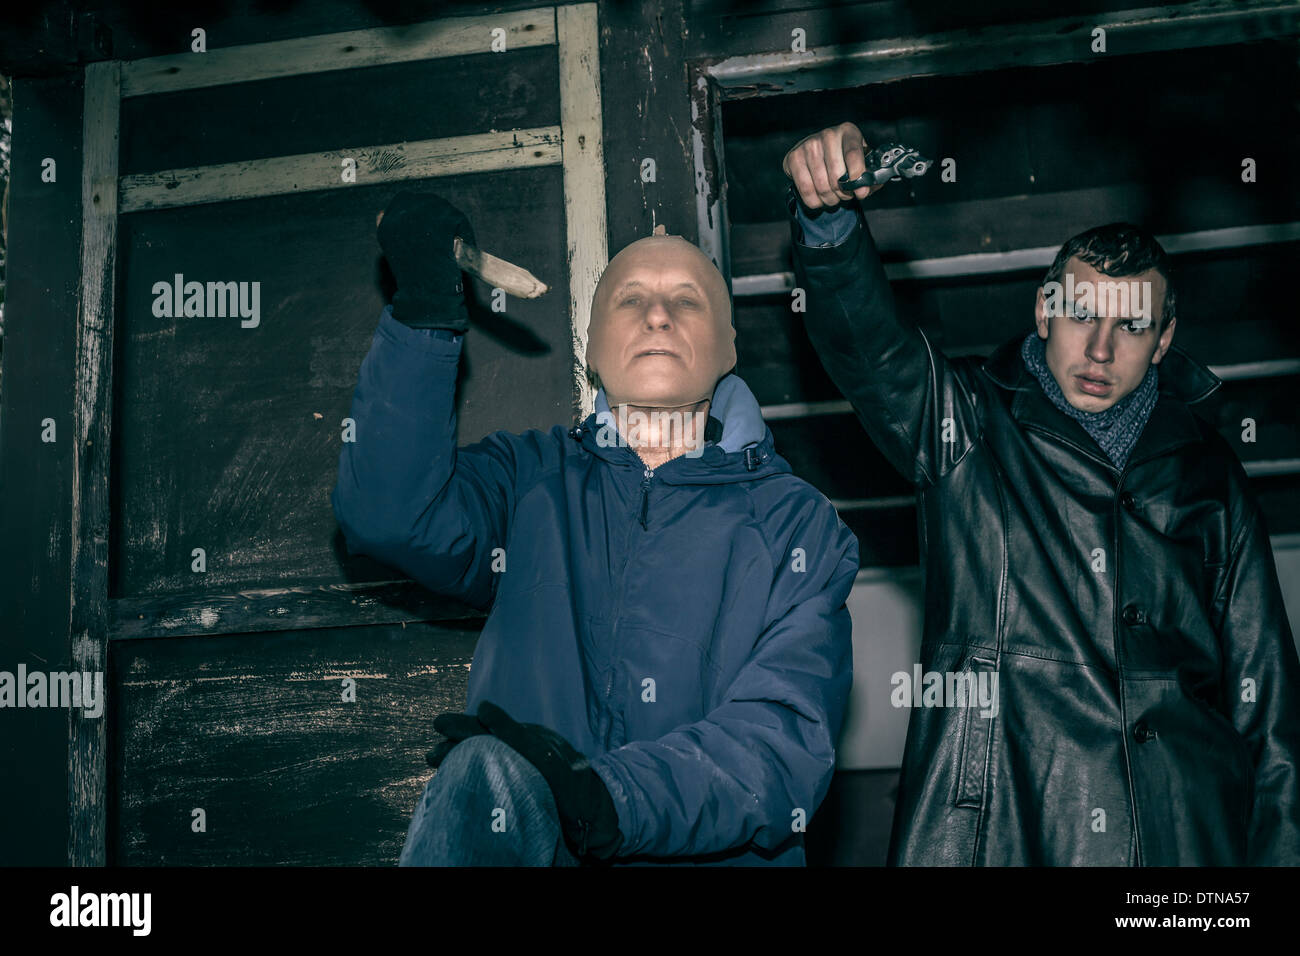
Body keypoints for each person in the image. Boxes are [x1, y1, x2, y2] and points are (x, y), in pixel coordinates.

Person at [783, 121, 1300, 866]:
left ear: (1163, 341)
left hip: (1180, 841)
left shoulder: (1211, 474)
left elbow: (1270, 707)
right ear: (1044, 310)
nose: (1100, 349)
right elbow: (872, 352)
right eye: (1083, 315)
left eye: (1131, 326)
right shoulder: (961, 423)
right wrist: (829, 223)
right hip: (1005, 824)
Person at [331, 192, 858, 866]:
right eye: (630, 299)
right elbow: (388, 514)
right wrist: (424, 314)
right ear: (593, 349)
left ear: (729, 348)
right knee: (480, 769)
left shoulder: (797, 524)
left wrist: (611, 797)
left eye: (688, 300)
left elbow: (782, 741)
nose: (659, 314)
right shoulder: (529, 480)